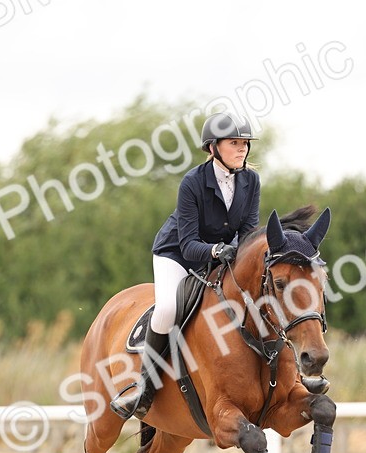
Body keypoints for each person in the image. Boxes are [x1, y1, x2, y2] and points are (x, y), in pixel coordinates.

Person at [110, 111, 262, 420]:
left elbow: (248, 233)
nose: (242, 149)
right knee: (168, 309)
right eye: (234, 143)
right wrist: (218, 250)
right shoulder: (193, 182)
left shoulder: (250, 180)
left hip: (222, 255)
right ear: (212, 147)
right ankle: (145, 388)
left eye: (244, 143)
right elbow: (188, 244)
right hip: (177, 254)